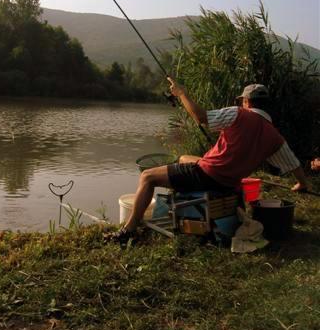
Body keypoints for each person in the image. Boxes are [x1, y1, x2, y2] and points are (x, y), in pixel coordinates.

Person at [110, 78, 309, 244]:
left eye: (243, 101)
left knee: (147, 177)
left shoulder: (238, 114)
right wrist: (301, 183)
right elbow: (294, 164)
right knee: (184, 158)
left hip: (209, 175)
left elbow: (201, 117)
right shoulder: (275, 137)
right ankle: (177, 193)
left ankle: (129, 230)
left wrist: (181, 94)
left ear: (246, 101)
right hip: (229, 180)